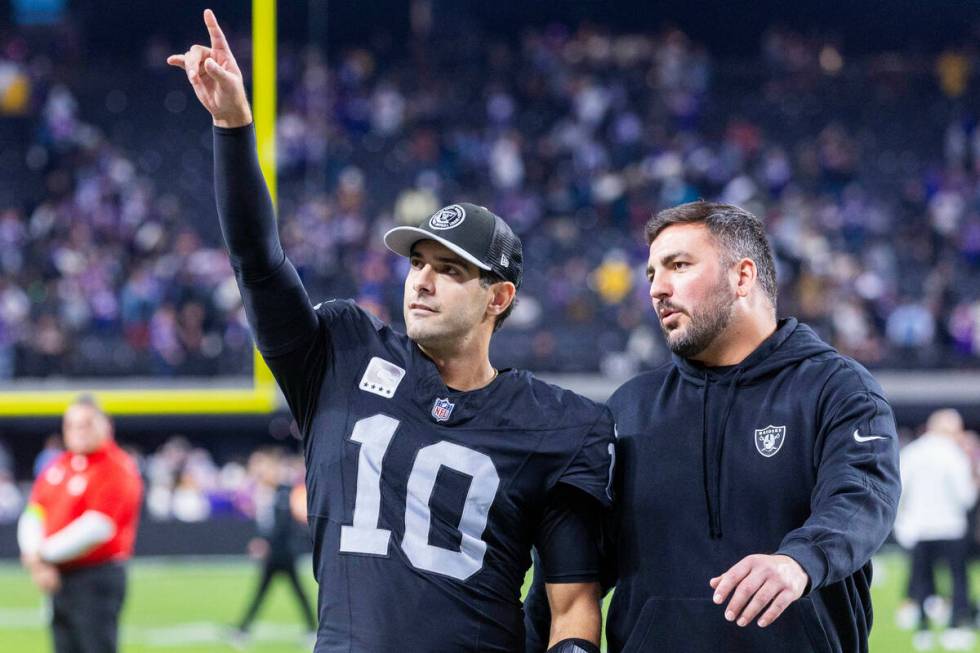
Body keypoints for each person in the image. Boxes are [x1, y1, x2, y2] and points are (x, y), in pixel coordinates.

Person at [168, 10, 616, 652]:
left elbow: (573, 609)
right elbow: (258, 263)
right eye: (418, 263)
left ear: (499, 297)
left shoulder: (557, 424)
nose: (423, 281)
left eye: (451, 269)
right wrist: (233, 127)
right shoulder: (342, 352)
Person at [526, 201, 901, 652]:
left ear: (742, 277)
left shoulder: (837, 389)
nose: (657, 289)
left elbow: (861, 498)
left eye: (678, 266)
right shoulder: (629, 408)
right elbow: (571, 568)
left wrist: (797, 561)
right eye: (650, 275)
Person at [17, 395, 144, 653]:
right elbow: (33, 513)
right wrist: (36, 557)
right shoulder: (59, 466)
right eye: (72, 425)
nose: (79, 431)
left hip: (95, 577)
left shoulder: (116, 466)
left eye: (87, 423)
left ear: (106, 425)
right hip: (58, 577)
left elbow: (98, 527)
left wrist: (41, 555)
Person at [896, 409, 977, 651]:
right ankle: (955, 628)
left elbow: (899, 491)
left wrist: (903, 522)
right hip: (950, 526)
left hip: (919, 528)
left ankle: (923, 630)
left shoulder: (912, 452)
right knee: (958, 579)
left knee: (921, 579)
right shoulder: (953, 454)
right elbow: (966, 496)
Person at [233, 449, 316, 643]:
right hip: (277, 551)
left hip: (283, 551)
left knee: (286, 591)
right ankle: (243, 628)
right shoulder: (266, 493)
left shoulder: (283, 491)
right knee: (278, 591)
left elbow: (283, 524)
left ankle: (243, 629)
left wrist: (265, 542)